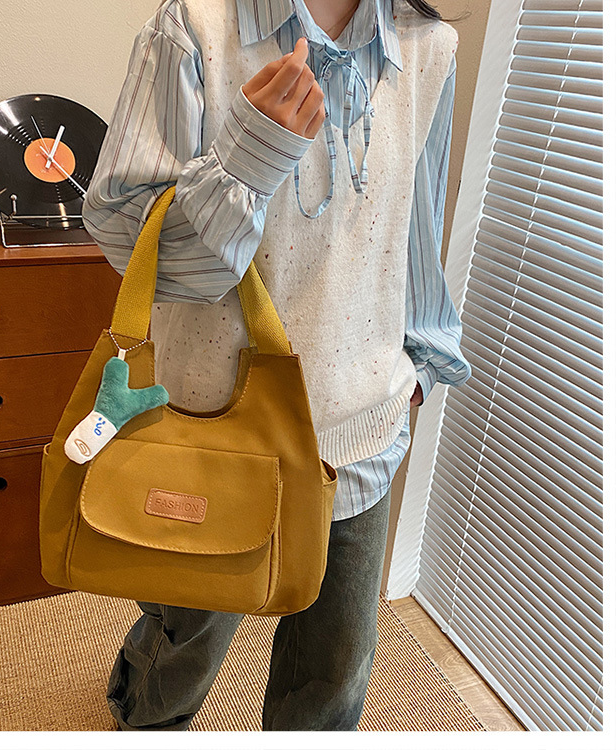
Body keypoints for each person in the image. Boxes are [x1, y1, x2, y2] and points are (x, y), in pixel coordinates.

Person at [82, 0, 472, 732]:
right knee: (186, 640)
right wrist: (249, 156)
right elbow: (128, 242)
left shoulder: (430, 46)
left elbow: (415, 217)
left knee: (335, 669)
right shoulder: (195, 28)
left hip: (360, 425)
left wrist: (420, 357)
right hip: (206, 421)